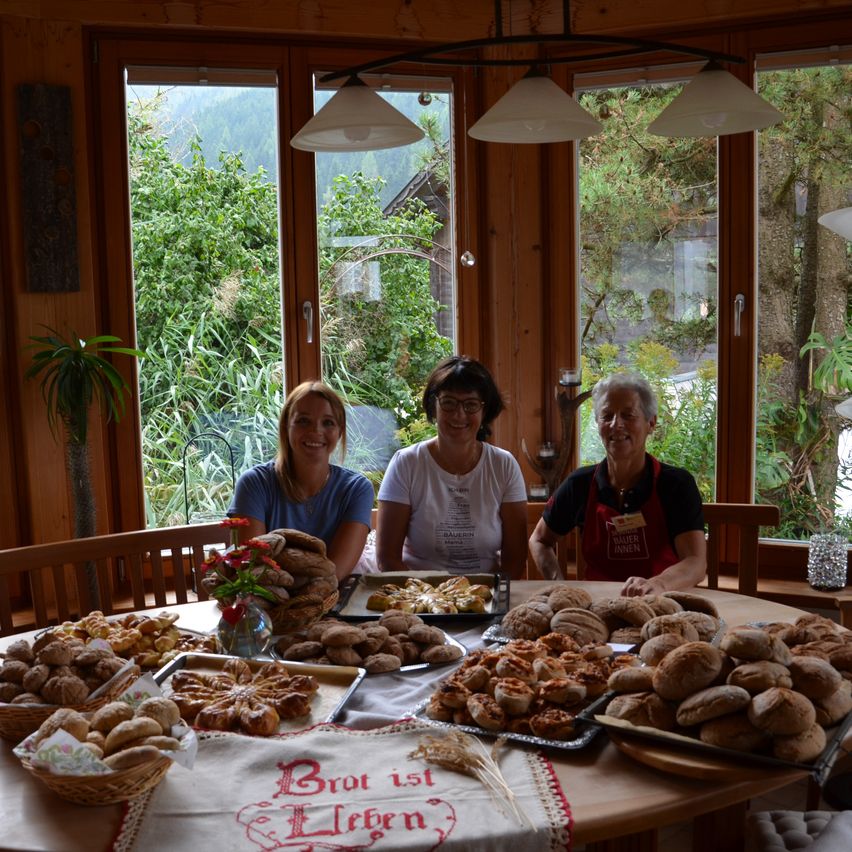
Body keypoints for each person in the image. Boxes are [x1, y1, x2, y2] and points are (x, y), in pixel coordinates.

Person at [529, 372, 706, 595]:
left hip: (660, 606)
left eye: (628, 415)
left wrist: (658, 584)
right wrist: (561, 586)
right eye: (607, 416)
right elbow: (539, 540)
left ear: (651, 423)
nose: (616, 425)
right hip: (596, 609)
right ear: (597, 423)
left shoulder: (676, 485)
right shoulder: (579, 484)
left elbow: (696, 563)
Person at [376, 356, 528, 579]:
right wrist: (429, 600)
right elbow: (387, 558)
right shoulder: (406, 463)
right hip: (419, 598)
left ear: (484, 411)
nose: (459, 414)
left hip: (486, 597)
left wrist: (489, 600)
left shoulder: (503, 466)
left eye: (471, 405)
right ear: (433, 405)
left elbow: (515, 559)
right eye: (448, 402)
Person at [228, 381, 374, 583]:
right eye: (303, 421)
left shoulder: (356, 489)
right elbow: (253, 567)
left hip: (333, 601)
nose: (316, 430)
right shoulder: (255, 483)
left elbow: (334, 574)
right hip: (267, 602)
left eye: (328, 422)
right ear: (286, 427)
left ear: (340, 432)